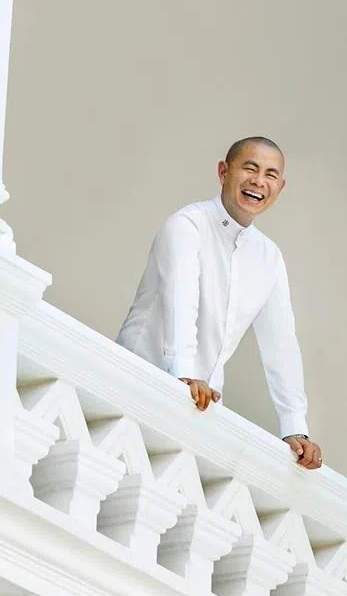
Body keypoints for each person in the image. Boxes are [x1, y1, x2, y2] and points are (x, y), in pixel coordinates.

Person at [115, 136, 323, 470]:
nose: (259, 181)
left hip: (201, 409)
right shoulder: (187, 226)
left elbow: (281, 344)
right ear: (223, 171)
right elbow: (180, 301)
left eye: (270, 175)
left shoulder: (269, 257)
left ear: (280, 188)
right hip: (138, 383)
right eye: (250, 168)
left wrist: (294, 427)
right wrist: (185, 374)